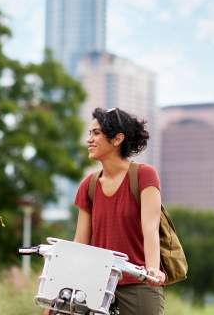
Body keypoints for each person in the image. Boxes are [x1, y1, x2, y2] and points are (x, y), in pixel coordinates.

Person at [73, 108, 166, 315]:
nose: (89, 139)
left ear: (117, 139)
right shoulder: (88, 186)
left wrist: (151, 270)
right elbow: (80, 244)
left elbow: (151, 230)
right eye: (89, 133)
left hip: (139, 285)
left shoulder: (144, 176)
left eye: (96, 133)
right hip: (96, 288)